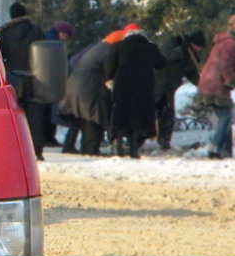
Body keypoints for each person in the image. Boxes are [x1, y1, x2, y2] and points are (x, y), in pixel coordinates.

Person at [105, 23, 166, 158]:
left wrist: (110, 80)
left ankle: (118, 144)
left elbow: (109, 67)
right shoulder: (150, 47)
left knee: (122, 114)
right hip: (144, 88)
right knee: (139, 115)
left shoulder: (118, 46)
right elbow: (161, 64)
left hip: (123, 87)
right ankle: (134, 148)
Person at [59, 29, 124, 156]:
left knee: (86, 119)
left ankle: (86, 149)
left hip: (76, 86)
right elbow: (109, 72)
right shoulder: (109, 51)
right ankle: (91, 151)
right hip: (89, 89)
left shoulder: (99, 48)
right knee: (93, 119)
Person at [0, 3, 46, 160]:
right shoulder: (36, 31)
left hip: (13, 80)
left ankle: (14, 151)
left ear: (12, 16)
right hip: (35, 80)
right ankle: (36, 150)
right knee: (35, 116)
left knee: (14, 116)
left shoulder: (4, 34)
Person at [153, 30, 205, 150]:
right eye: (198, 47)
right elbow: (164, 57)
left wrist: (203, 86)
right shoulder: (174, 44)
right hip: (157, 84)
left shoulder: (192, 57)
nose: (199, 50)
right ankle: (138, 139)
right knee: (149, 112)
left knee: (167, 114)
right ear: (192, 43)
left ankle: (164, 141)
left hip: (171, 87)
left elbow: (192, 74)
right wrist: (182, 50)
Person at [194, 14, 235, 159]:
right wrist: (232, 81)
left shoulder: (225, 42)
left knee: (225, 117)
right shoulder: (230, 43)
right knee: (225, 118)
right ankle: (215, 149)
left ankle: (226, 150)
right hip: (216, 84)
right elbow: (226, 65)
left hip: (211, 82)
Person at [42, 21, 75, 145]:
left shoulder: (48, 37)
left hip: (45, 81)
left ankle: (48, 137)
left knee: (48, 111)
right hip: (50, 81)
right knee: (50, 111)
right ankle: (49, 137)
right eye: (66, 36)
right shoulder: (54, 42)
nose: (65, 39)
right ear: (61, 33)